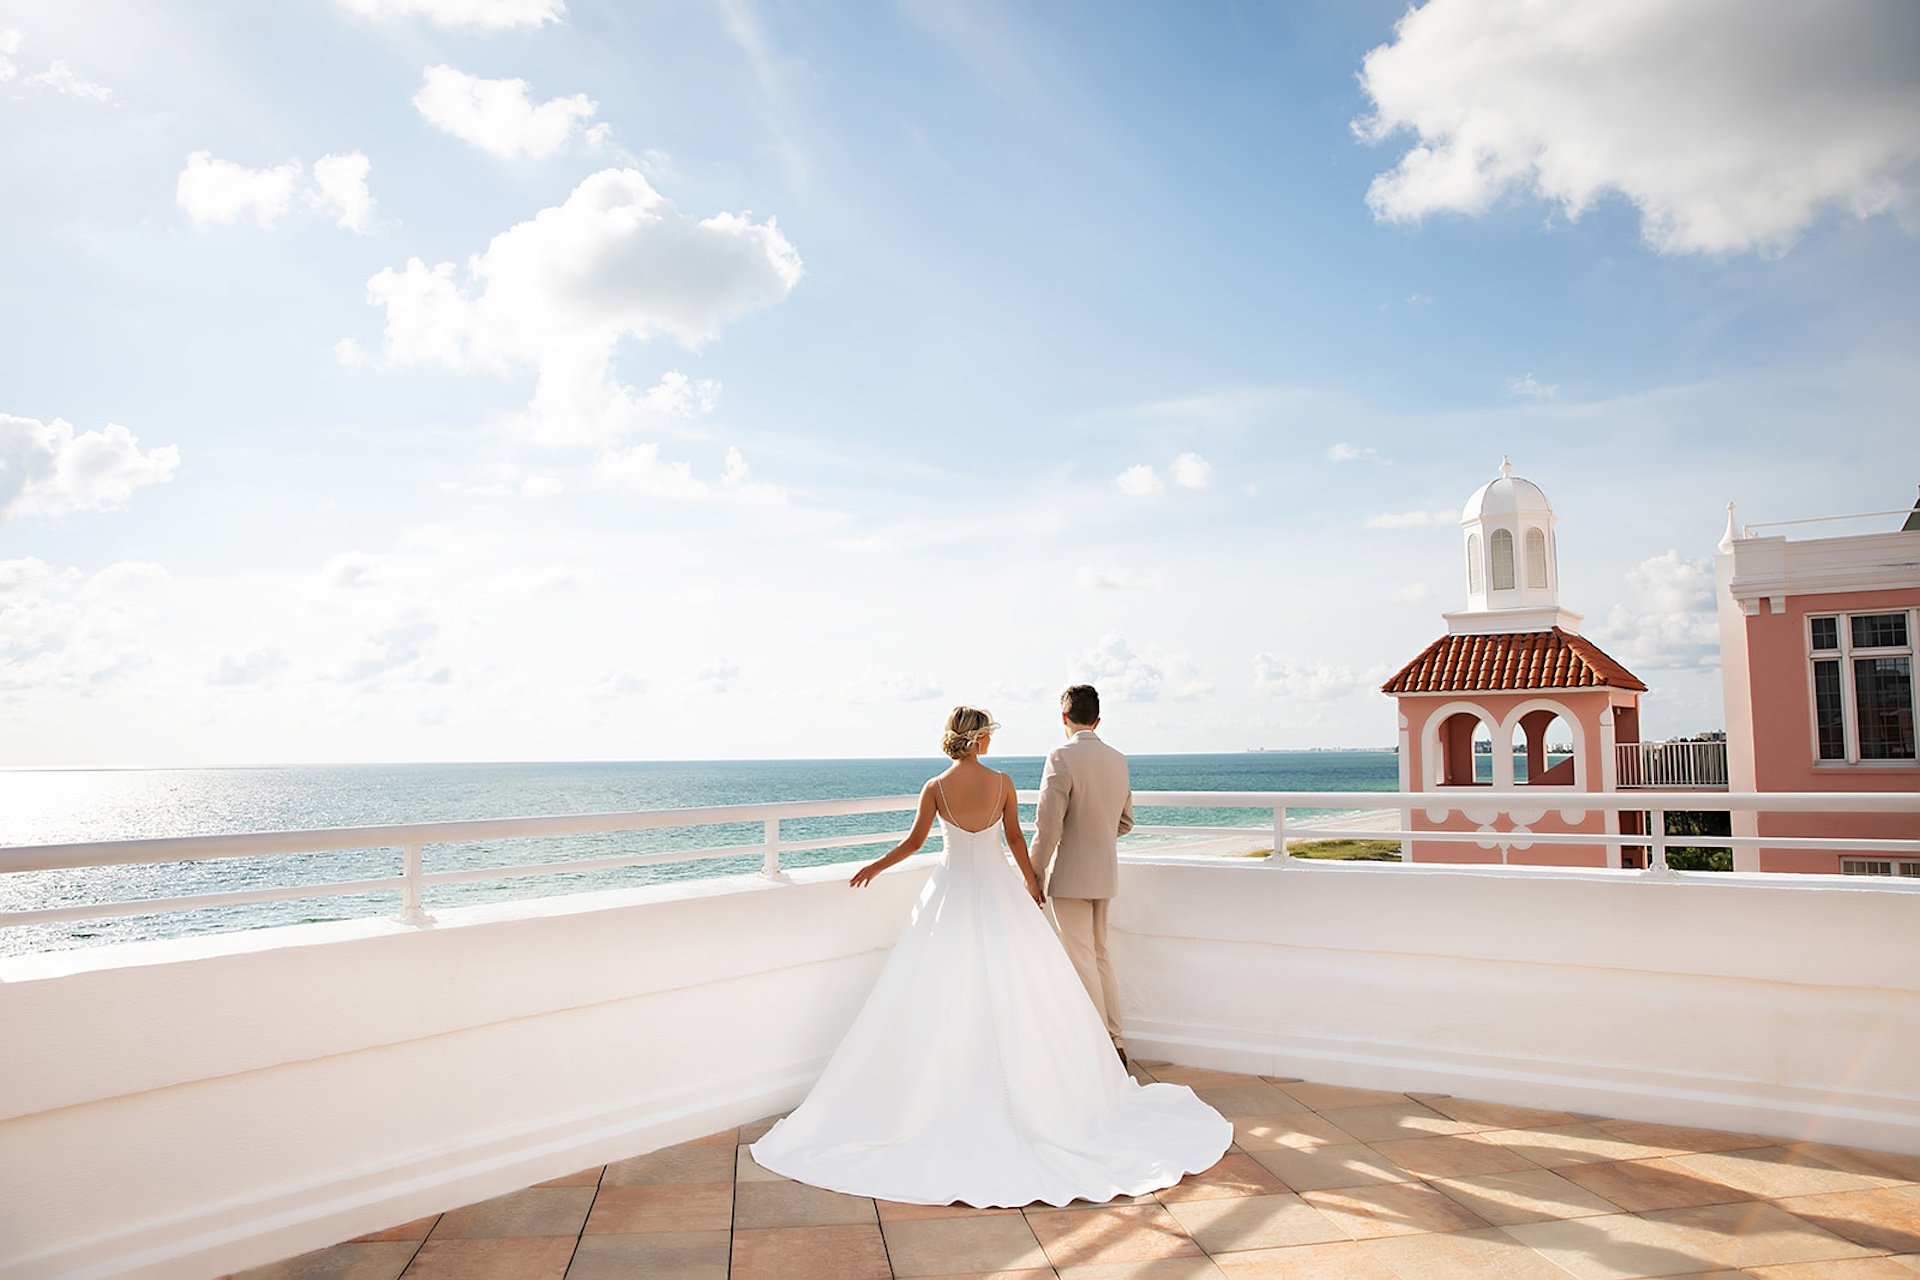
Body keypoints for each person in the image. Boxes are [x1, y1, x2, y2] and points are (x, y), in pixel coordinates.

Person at [749, 706, 1230, 1208]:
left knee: (941, 989)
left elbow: (914, 843)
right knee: (1020, 986)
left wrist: (874, 864)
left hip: (950, 896)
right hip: (999, 892)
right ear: (981, 740)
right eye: (990, 736)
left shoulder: (935, 786)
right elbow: (1018, 840)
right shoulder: (1001, 783)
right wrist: (1032, 882)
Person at [1030, 684, 1134, 1063]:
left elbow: (1048, 825)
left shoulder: (1061, 756)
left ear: (1064, 718)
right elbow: (1125, 822)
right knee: (1101, 955)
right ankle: (1117, 1042)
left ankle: (1096, 1050)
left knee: (1081, 959)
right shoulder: (1118, 759)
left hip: (1071, 874)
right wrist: (1097, 834)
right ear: (1098, 718)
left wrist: (1034, 873)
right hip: (1105, 871)